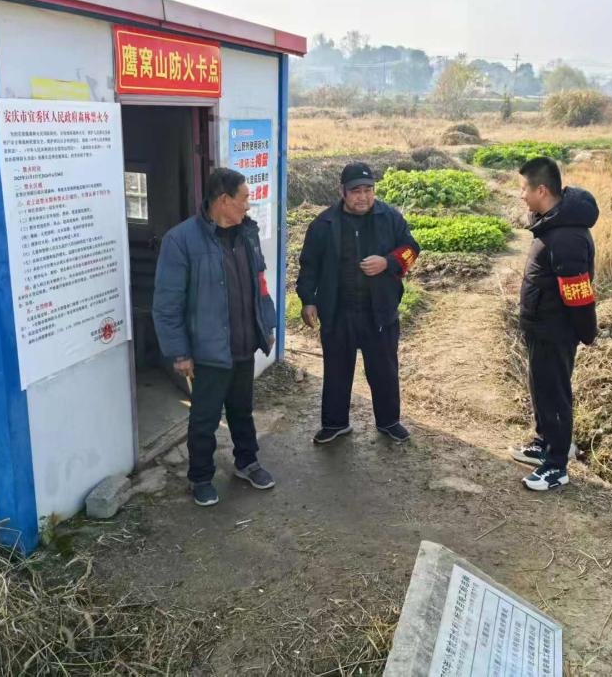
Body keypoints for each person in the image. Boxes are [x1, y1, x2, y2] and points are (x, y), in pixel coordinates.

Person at [153, 167, 278, 507]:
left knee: (242, 410)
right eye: (244, 199)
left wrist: (266, 324)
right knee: (205, 419)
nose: (248, 206)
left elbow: (260, 284)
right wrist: (179, 352)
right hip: (207, 350)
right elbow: (167, 304)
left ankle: (247, 462)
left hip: (243, 342)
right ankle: (201, 477)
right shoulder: (181, 241)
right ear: (223, 200)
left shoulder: (247, 233)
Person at [296, 162, 421, 444]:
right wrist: (308, 300)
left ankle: (389, 421)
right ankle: (335, 424)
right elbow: (309, 266)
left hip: (379, 311)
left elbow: (412, 249)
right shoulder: (324, 224)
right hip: (338, 311)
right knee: (336, 370)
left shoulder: (390, 218)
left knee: (384, 370)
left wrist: (388, 262)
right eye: (356, 191)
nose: (363, 197)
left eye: (368, 190)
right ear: (342, 191)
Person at [509, 157, 598, 491]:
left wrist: (586, 333)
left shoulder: (566, 238)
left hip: (555, 331)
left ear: (542, 190)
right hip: (541, 328)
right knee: (541, 388)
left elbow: (579, 295)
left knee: (555, 394)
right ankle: (545, 443)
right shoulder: (550, 224)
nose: (521, 195)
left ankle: (557, 465)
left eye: (524, 189)